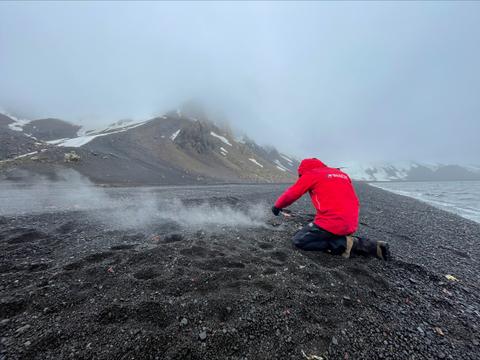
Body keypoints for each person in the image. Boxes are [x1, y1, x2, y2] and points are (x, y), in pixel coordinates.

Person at [272, 158, 390, 260]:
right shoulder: (342, 174)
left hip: (332, 223)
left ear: (303, 171)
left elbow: (292, 193)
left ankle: (347, 244)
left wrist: (277, 206)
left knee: (299, 240)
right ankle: (372, 246)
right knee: (310, 230)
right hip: (351, 222)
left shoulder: (311, 174)